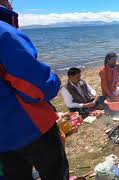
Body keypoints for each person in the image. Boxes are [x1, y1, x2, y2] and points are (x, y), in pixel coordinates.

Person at [0, 1, 69, 179]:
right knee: (55, 173)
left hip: (3, 140)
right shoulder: (4, 33)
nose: (11, 3)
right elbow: (38, 86)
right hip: (30, 127)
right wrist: (54, 80)